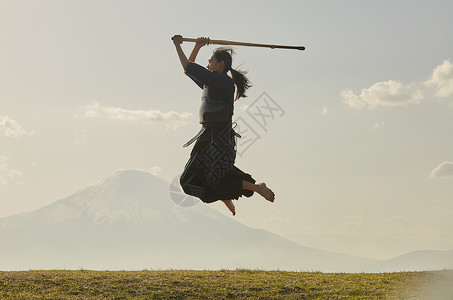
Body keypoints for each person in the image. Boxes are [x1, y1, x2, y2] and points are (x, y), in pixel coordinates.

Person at [172, 35, 275, 216]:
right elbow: (189, 69)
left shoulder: (222, 82)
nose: (208, 65)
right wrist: (197, 46)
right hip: (206, 137)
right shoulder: (210, 82)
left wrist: (177, 45)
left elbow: (187, 66)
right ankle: (223, 195)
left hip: (220, 138)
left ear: (220, 64)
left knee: (217, 178)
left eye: (210, 61)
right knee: (188, 181)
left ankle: (256, 187)